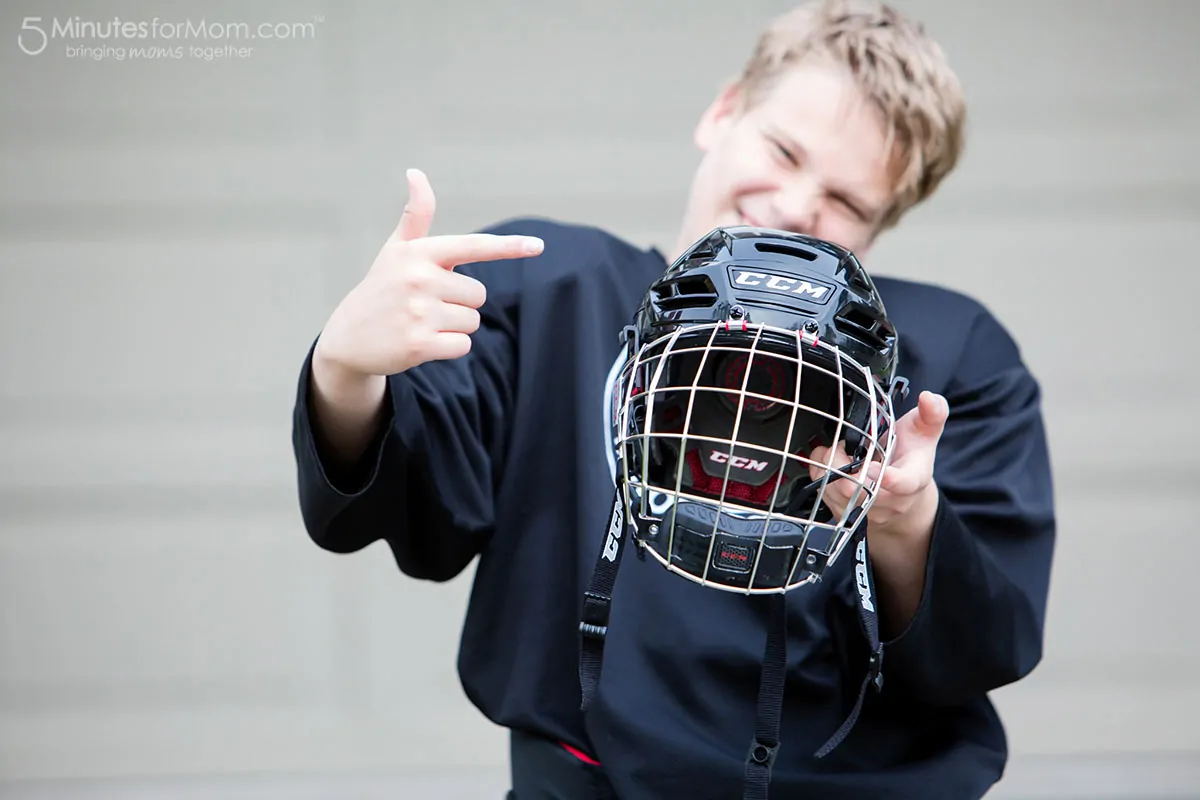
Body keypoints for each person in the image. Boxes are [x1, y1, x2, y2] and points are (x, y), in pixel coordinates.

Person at [290, 1, 1056, 798]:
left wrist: (905, 520)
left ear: (886, 221)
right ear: (724, 110)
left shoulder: (949, 360)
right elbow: (391, 499)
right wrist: (347, 366)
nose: (796, 206)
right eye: (783, 150)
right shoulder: (553, 293)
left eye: (848, 203)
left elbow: (983, 649)